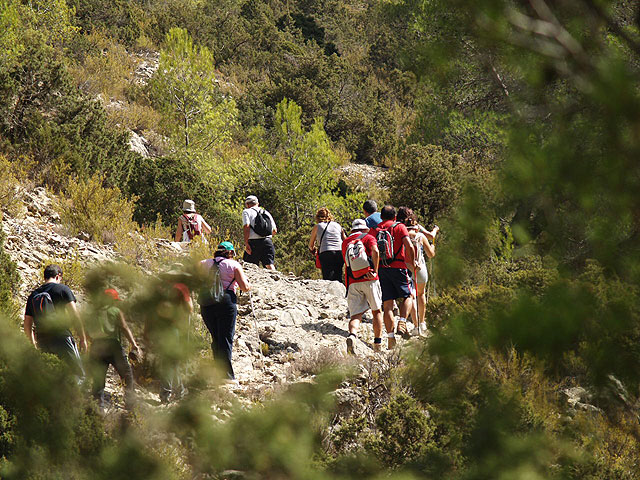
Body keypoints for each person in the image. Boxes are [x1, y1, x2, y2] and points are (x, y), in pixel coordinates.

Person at [24, 264, 87, 377]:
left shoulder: (34, 295)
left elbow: (27, 324)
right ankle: (73, 395)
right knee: (78, 375)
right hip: (61, 337)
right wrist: (82, 338)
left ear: (45, 277)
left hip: (43, 340)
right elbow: (75, 315)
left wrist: (33, 343)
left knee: (51, 376)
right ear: (58, 276)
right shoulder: (63, 289)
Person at [200, 242, 251, 381]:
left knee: (215, 338)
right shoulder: (234, 265)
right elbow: (245, 287)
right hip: (226, 302)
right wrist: (248, 282)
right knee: (225, 339)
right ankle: (227, 377)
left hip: (207, 303)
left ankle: (217, 373)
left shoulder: (203, 263)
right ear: (229, 253)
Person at [87, 288, 142, 410]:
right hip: (113, 346)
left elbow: (87, 329)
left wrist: (90, 341)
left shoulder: (94, 312)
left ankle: (97, 407)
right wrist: (134, 344)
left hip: (97, 346)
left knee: (98, 378)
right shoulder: (116, 311)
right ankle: (130, 404)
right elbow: (124, 327)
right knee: (126, 374)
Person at [373, 206, 416, 348]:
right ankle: (402, 321)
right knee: (408, 296)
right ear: (395, 217)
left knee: (387, 305)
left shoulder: (376, 229)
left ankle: (390, 339)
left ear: (381, 217)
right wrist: (413, 260)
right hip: (399, 267)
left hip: (382, 269)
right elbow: (408, 245)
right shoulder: (400, 227)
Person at [342, 219, 384, 354]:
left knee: (356, 314)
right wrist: (375, 271)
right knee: (376, 310)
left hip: (353, 281)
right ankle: (377, 344)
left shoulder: (345, 242)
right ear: (365, 229)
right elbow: (375, 251)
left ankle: (352, 335)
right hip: (370, 279)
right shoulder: (368, 237)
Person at [396, 207, 436, 336]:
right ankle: (422, 323)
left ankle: (416, 325)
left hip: (407, 268)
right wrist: (433, 246)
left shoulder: (401, 235)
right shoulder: (420, 236)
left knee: (411, 296)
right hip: (421, 269)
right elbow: (430, 254)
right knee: (421, 294)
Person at [309, 208, 346, 282]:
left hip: (326, 252)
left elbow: (310, 245)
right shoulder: (338, 225)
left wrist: (313, 250)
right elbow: (345, 240)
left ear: (317, 217)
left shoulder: (317, 226)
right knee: (338, 275)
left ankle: (330, 293)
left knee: (328, 277)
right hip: (339, 252)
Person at [242, 195, 277, 270]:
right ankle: (276, 280)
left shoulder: (246, 212)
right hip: (267, 241)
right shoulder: (266, 212)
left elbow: (246, 226)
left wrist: (246, 242)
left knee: (249, 266)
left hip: (253, 242)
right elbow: (274, 230)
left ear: (247, 204)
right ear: (258, 203)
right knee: (269, 264)